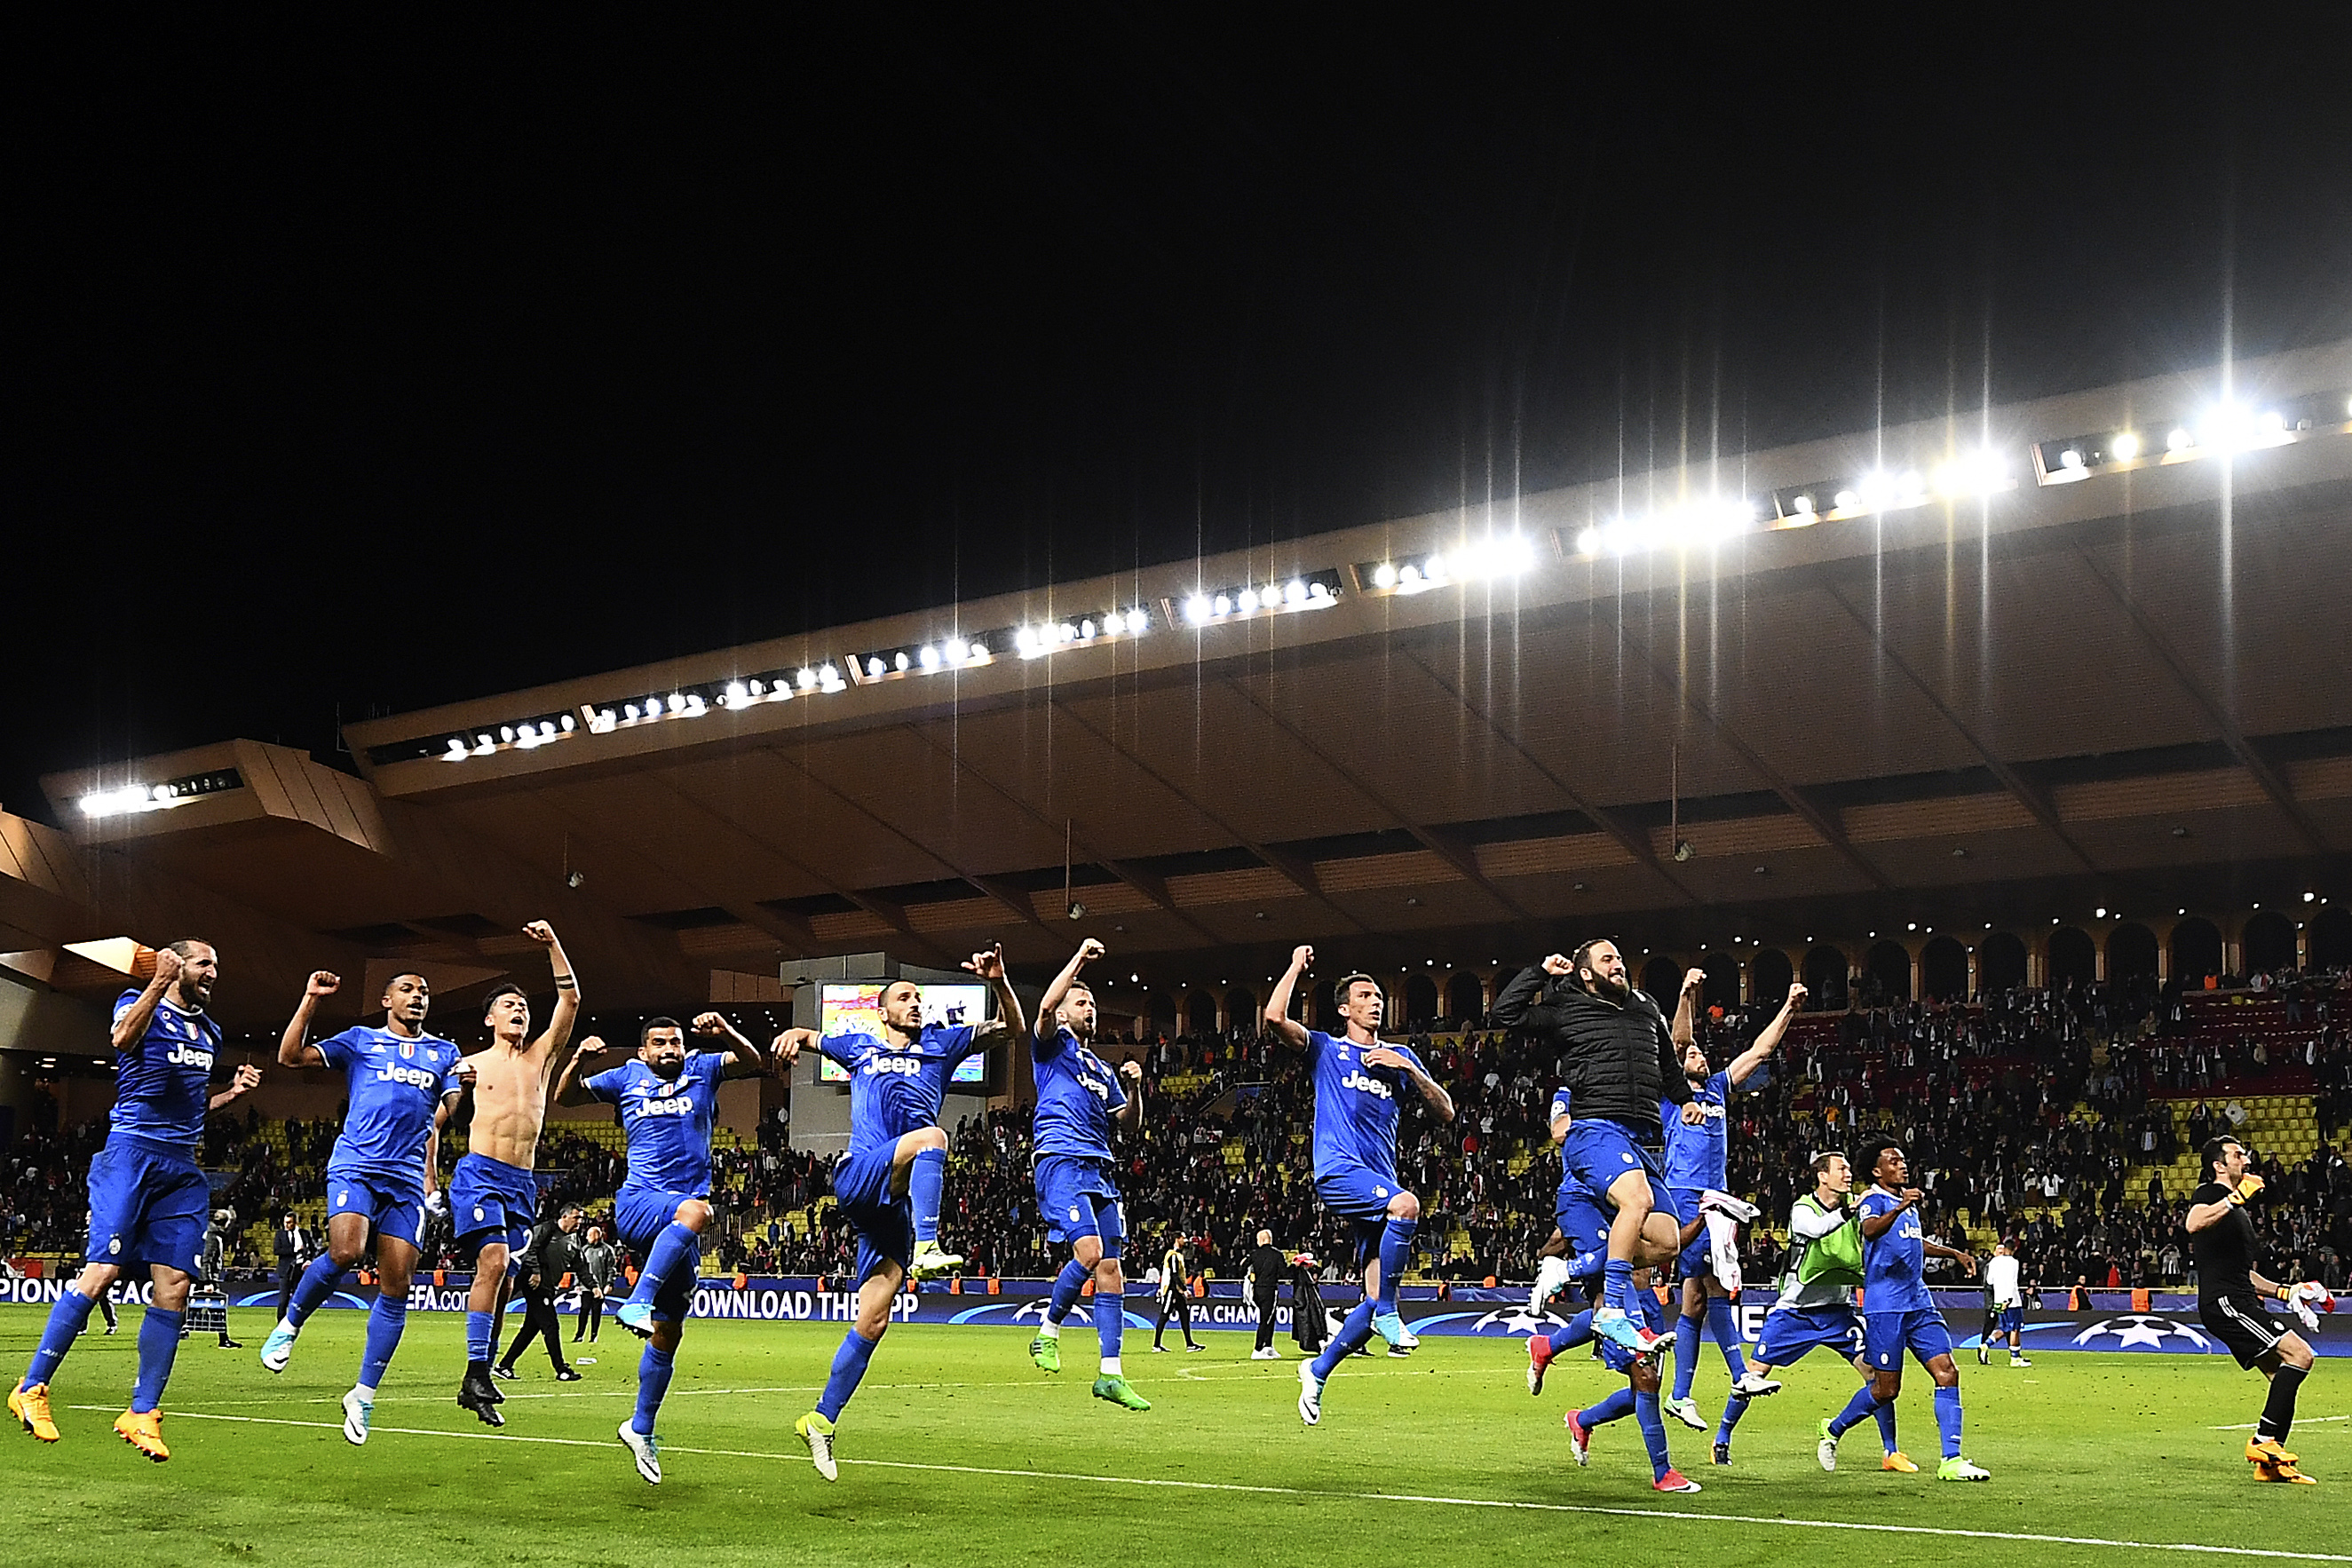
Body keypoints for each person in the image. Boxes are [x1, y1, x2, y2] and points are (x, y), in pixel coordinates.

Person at [772, 948, 1022, 1482]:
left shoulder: (942, 1044)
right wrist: (796, 1034)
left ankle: (820, 1419)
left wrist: (999, 982)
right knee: (933, 1136)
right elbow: (811, 1039)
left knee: (875, 1318)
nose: (916, 1004)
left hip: (893, 1204)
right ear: (882, 1012)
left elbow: (1013, 1028)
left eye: (919, 998)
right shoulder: (859, 1045)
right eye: (906, 998)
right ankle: (930, 1245)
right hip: (863, 1173)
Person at [9, 941, 261, 1458]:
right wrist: (155, 981)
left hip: (182, 1166)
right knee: (102, 1273)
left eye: (217, 964)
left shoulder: (209, 1032)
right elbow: (122, 1039)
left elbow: (189, 1107)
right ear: (176, 966)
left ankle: (143, 1410)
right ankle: (32, 1387)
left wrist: (231, 1096)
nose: (214, 972)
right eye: (204, 963)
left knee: (176, 1286)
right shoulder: (135, 1000)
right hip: (132, 1156)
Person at [260, 965, 469, 1445]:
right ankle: (290, 1324)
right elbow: (290, 1056)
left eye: (425, 991)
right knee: (347, 1253)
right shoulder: (360, 1040)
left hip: (406, 1179)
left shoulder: (445, 1052)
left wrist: (464, 1089)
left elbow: (456, 1111)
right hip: (357, 1164)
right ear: (387, 999)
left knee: (397, 1287)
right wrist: (311, 999)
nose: (419, 997)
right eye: (409, 990)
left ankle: (363, 1395)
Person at [554, 1012, 765, 1485]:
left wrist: (728, 1032)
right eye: (659, 1042)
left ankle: (641, 1427)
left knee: (670, 1330)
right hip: (640, 1202)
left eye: (675, 1041)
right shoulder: (624, 1075)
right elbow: (564, 1098)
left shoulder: (704, 1069)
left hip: (677, 1224)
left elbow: (756, 1061)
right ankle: (636, 1301)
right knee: (700, 1213)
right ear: (643, 1051)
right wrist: (579, 1060)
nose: (668, 1048)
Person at [1264, 946, 1456, 1427]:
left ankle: (1318, 1370)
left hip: (1376, 1179)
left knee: (1369, 1300)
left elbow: (1447, 1112)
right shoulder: (1328, 1049)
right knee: (1407, 1206)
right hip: (1338, 1170)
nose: (1376, 1003)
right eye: (1365, 996)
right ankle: (1393, 1310)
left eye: (1378, 996)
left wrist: (1408, 1070)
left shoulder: (1401, 1057)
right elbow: (1273, 1018)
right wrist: (1294, 967)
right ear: (1345, 1008)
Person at [1490, 940, 1693, 1354]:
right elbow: (1504, 1014)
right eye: (1608, 960)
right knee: (1636, 1202)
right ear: (1586, 973)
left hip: (1639, 1138)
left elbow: (1668, 1065)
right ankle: (1613, 1309)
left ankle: (1571, 1270)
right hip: (1594, 1129)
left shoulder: (1646, 1007)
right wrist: (1540, 972)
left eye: (1619, 957)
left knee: (1667, 1239)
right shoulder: (1567, 1006)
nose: (1618, 964)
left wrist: (1685, 1098)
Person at [448, 922, 583, 1425]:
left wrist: (553, 943)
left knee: (505, 1277)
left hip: (522, 1183)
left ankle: (479, 1373)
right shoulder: (470, 1063)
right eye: (509, 1005)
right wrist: (459, 1094)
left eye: (524, 1006)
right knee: (494, 1260)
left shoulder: (540, 1059)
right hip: (480, 1172)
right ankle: (477, 1370)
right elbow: (446, 1123)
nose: (520, 1010)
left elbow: (569, 1002)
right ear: (489, 1019)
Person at [1659, 978, 1802, 1431]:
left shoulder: (1718, 1089)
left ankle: (1682, 1394)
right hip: (1686, 1195)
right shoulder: (1670, 1094)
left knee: (1695, 1300)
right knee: (1713, 1288)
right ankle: (1739, 1376)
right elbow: (1678, 1039)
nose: (1699, 1053)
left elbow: (1759, 1053)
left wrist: (1788, 1008)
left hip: (1715, 1197)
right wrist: (1685, 994)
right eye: (1693, 1053)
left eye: (1703, 1051)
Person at [1712, 1152, 1905, 1472]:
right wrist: (1852, 1209)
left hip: (1838, 1312)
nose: (1847, 1174)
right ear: (1822, 1176)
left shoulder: (1857, 1209)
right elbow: (1816, 1230)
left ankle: (1891, 1451)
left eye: (1847, 1169)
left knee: (1875, 1375)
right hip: (1795, 1312)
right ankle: (1722, 1439)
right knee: (1754, 1374)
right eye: (1840, 1169)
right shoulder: (1803, 1208)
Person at [1023, 938, 1151, 1408]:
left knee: (1113, 1269)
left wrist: (1136, 1090)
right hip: (1061, 1160)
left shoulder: (1101, 1068)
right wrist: (1076, 958)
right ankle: (1047, 1331)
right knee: (1092, 1252)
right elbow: (1045, 1003)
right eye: (1083, 1001)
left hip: (1100, 1167)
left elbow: (1129, 1126)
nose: (1090, 1007)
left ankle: (1110, 1373)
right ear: (1063, 1013)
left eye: (1094, 1003)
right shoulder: (1050, 1047)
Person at [2187, 1136, 2330, 1484]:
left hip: (2239, 1297)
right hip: (2226, 1303)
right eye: (2238, 1155)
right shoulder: (2211, 1194)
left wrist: (2286, 1290)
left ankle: (2271, 1466)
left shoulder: (2237, 1212)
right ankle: (2264, 1443)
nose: (2246, 1160)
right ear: (2219, 1165)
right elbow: (2193, 1222)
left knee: (2281, 1374)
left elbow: (2241, 1272)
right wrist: (2234, 1198)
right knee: (2301, 1355)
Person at [1848, 1138, 1989, 1481]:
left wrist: (1953, 1253)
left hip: (1918, 1302)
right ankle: (1834, 1429)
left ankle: (1951, 1460)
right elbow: (1869, 1231)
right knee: (1886, 1390)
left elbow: (1914, 1243)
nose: (1902, 1165)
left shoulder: (1906, 1205)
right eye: (1893, 1161)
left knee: (1948, 1372)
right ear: (1877, 1171)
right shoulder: (1874, 1200)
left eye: (1902, 1160)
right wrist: (1897, 1208)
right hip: (1886, 1307)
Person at [495, 1206, 582, 1382]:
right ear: (564, 1216)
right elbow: (530, 1248)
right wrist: (535, 1271)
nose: (579, 1221)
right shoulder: (547, 1229)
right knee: (551, 1325)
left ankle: (504, 1366)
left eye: (580, 1218)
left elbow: (581, 1265)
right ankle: (561, 1369)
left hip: (547, 1286)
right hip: (534, 1282)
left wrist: (594, 1286)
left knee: (530, 1328)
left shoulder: (574, 1239)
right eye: (576, 1217)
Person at [189, 1209, 241, 1349]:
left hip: (205, 1277)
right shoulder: (213, 1237)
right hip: (209, 1279)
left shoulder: (211, 1234)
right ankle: (224, 1340)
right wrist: (208, 1282)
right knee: (218, 1310)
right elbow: (206, 1260)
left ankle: (181, 1331)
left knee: (197, 1309)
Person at [1978, 1239, 2030, 1367]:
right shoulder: (2014, 1262)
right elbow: (2013, 1282)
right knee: (2015, 1328)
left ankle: (1985, 1345)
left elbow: (1989, 1281)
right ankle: (2015, 1359)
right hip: (2011, 1300)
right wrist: (2009, 1299)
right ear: (2014, 1249)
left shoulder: (1993, 1262)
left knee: (2005, 1327)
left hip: (1998, 1300)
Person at [1152, 1236, 1202, 1353]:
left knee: (1184, 1315)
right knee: (1164, 1316)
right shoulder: (1173, 1255)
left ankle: (1190, 1344)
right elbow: (1174, 1274)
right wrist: (1184, 1289)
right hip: (1172, 1290)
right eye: (1183, 1238)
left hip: (1176, 1291)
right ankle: (1156, 1345)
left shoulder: (1175, 1255)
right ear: (1177, 1239)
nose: (1185, 1241)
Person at [573, 1224, 615, 1344]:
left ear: (595, 1236)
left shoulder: (607, 1250)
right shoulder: (584, 1249)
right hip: (586, 1287)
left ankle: (594, 1335)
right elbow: (579, 1268)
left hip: (600, 1287)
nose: (586, 1238)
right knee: (584, 1310)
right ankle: (579, 1335)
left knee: (596, 1311)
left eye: (588, 1235)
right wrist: (577, 1284)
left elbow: (611, 1269)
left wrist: (609, 1283)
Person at [1247, 1229, 1285, 1358]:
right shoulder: (1277, 1255)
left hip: (1257, 1290)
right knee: (1266, 1319)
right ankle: (1258, 1349)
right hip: (1270, 1290)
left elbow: (1243, 1267)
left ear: (1262, 1240)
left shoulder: (1254, 1254)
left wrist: (1253, 1275)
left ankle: (1268, 1346)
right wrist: (1296, 1266)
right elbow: (1284, 1273)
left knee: (1269, 1317)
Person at [272, 1212, 311, 1325]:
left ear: (295, 1222)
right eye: (285, 1222)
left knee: (300, 1299)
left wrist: (308, 1260)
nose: (286, 1225)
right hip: (286, 1271)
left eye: (289, 1223)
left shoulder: (304, 1234)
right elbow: (277, 1250)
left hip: (300, 1270)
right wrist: (294, 1250)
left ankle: (296, 1322)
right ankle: (280, 1325)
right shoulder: (280, 1234)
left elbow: (311, 1249)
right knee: (283, 1300)